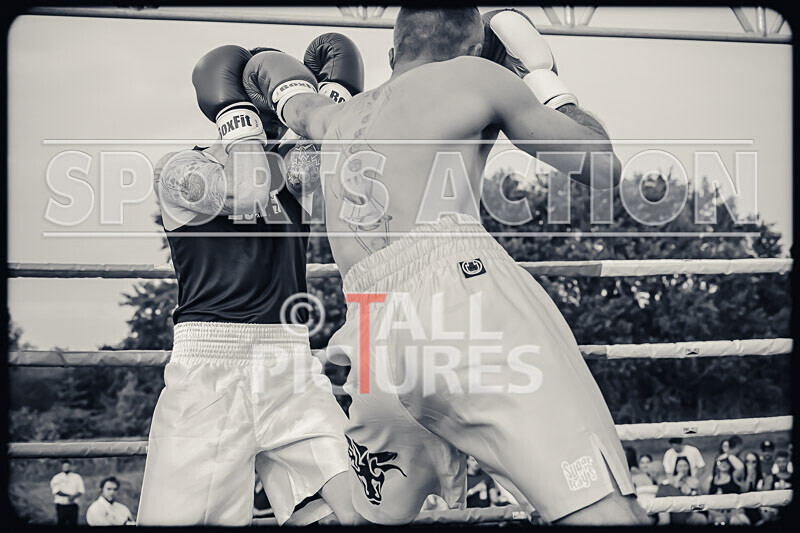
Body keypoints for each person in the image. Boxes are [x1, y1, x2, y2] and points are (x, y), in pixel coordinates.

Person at [243, 7, 649, 525]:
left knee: (369, 518)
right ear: (474, 47)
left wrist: (269, 78)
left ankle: (297, 482)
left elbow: (293, 103)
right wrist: (544, 81)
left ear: (393, 55)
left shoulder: (334, 119)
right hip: (463, 303)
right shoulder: (476, 74)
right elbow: (601, 164)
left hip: (370, 337)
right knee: (599, 508)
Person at [137, 35, 365, 527]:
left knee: (360, 508)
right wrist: (240, 121)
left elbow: (339, 180)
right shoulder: (181, 168)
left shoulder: (293, 171)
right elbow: (247, 190)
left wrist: (328, 102)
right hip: (209, 370)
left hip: (290, 359)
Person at [654, 457, 705, 525]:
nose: (683, 468)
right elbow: (672, 492)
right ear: (676, 468)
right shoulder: (671, 481)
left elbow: (700, 499)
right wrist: (678, 478)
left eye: (685, 466)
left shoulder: (694, 481)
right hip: (676, 510)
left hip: (693, 508)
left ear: (688, 467)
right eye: (680, 466)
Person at [50, 460, 84, 526]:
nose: (66, 467)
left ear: (70, 466)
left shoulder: (77, 477)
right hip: (61, 506)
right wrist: (69, 496)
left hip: (73, 505)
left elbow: (81, 490)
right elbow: (56, 491)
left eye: (67, 466)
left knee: (73, 523)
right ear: (62, 466)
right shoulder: (57, 477)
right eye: (64, 466)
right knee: (61, 523)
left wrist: (73, 497)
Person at [738, 451, 764, 525]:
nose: (750, 464)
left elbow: (761, 493)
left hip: (757, 508)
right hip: (745, 508)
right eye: (747, 461)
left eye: (753, 462)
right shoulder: (741, 475)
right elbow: (743, 490)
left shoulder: (761, 476)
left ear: (757, 463)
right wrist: (749, 476)